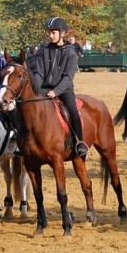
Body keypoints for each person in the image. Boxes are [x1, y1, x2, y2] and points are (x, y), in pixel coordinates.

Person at [31, 17, 89, 159]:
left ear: (62, 33)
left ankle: (79, 143)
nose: (50, 35)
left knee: (73, 112)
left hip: (64, 90)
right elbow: (38, 72)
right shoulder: (44, 51)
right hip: (44, 89)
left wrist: (56, 91)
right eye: (49, 33)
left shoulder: (70, 53)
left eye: (53, 33)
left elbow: (68, 78)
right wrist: (36, 90)